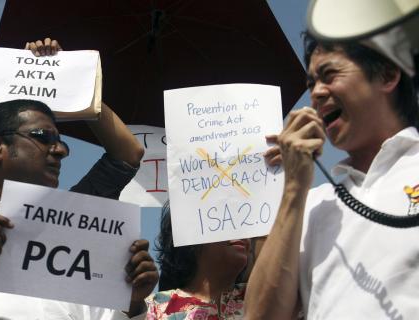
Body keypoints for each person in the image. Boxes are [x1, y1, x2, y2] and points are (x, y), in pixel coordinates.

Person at [244, 32, 419, 320]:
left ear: (387, 75)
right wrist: (293, 189)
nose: (316, 93)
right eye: (312, 83)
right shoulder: (313, 204)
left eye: (330, 75)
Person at [0, 100, 158, 319]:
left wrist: (131, 302)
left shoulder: (82, 237)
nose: (61, 150)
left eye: (61, 142)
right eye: (42, 136)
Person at [146, 202, 251, 319]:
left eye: (244, 222)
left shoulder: (264, 296)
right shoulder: (153, 307)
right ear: (190, 236)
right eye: (225, 219)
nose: (240, 229)